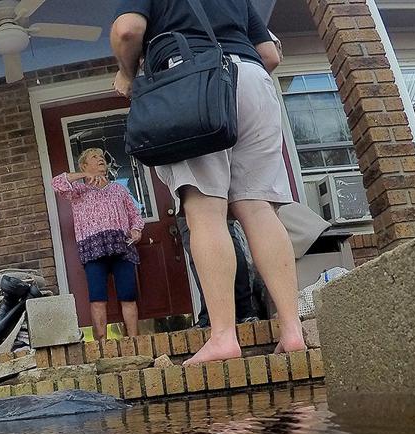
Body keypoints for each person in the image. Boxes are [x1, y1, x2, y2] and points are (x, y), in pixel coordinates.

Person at [110, 0, 306, 364]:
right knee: (260, 210)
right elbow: (270, 55)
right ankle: (293, 330)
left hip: (193, 80)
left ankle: (222, 336)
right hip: (252, 78)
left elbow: (127, 31)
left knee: (205, 211)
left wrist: (128, 73)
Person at [51, 148, 146, 341]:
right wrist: (85, 175)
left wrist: (137, 230)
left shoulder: (119, 189)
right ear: (84, 165)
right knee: (97, 298)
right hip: (93, 249)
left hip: (121, 247)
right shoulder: (78, 190)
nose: (100, 159)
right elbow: (57, 182)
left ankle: (135, 341)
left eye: (102, 157)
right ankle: (101, 343)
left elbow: (135, 215)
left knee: (128, 295)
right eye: (94, 157)